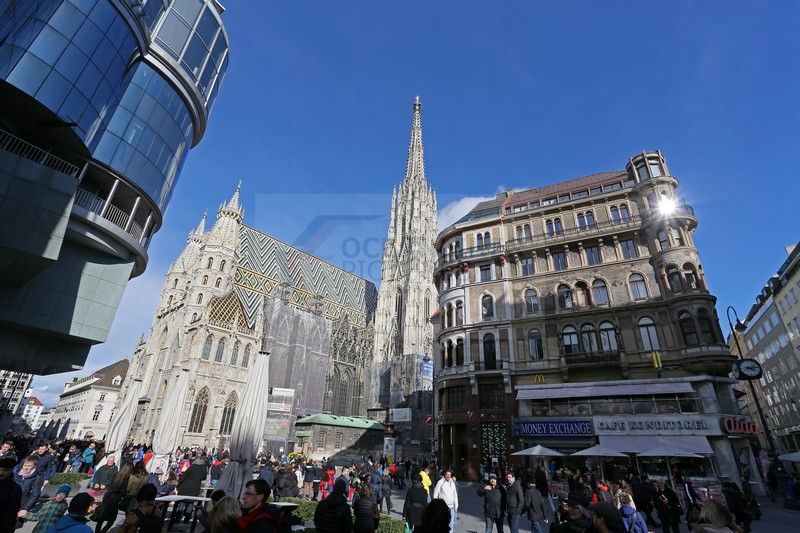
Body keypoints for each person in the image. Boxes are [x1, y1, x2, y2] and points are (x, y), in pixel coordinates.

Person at [94, 462, 133, 533]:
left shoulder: (116, 474)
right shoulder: (126, 479)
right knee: (111, 521)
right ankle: (103, 532)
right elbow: (123, 492)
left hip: (108, 496)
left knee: (101, 519)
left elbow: (110, 484)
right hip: (115, 499)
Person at [14, 455, 43, 522]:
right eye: (25, 465)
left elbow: (35, 494)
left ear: (34, 466)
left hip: (21, 505)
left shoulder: (37, 477)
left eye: (29, 466)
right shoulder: (16, 474)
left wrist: (25, 508)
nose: (26, 468)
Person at [0, 457, 22, 531]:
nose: (1, 473)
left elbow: (10, 515)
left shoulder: (14, 489)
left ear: (11, 470)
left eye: (4, 470)